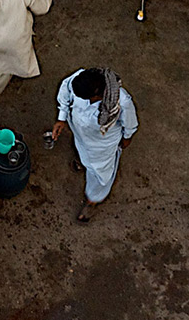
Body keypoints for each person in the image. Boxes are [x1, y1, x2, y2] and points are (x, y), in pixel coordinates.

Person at [51, 65, 138, 223]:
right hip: (80, 135)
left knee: (100, 173)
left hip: (101, 147)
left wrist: (126, 139)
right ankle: (83, 163)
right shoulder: (80, 79)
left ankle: (93, 200)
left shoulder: (121, 102)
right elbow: (66, 90)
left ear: (97, 95)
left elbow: (130, 126)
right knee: (81, 151)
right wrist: (61, 118)